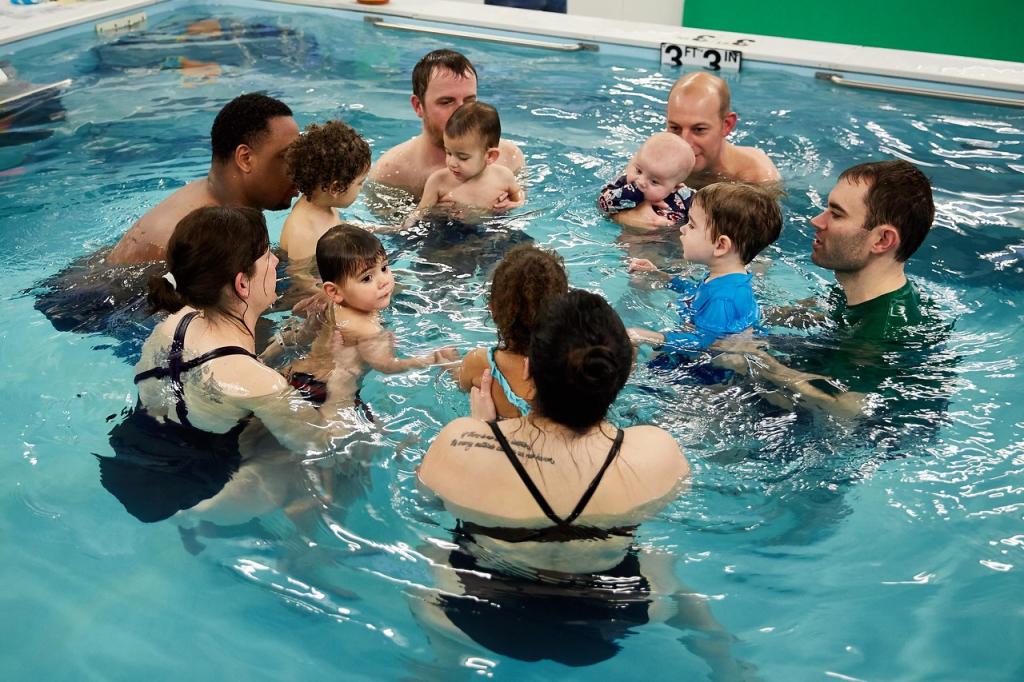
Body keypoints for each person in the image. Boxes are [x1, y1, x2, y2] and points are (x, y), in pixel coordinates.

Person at [416, 290, 693, 665]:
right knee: (661, 560)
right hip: (613, 619)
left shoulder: (458, 440)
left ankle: (441, 666)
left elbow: (428, 500)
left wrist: (483, 431)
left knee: (430, 554)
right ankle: (727, 663)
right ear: (621, 375)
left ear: (528, 370)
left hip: (480, 613)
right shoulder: (658, 451)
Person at [98, 207, 362, 525]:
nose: (277, 261)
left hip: (127, 450)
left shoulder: (174, 322)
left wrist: (297, 336)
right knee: (356, 439)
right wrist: (347, 373)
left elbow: (224, 372)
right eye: (267, 255)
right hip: (195, 487)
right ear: (241, 284)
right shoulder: (260, 384)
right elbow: (321, 443)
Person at [713, 159, 940, 417]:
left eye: (837, 213)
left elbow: (848, 411)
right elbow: (816, 314)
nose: (816, 221)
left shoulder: (884, 332)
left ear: (882, 240)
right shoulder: (860, 294)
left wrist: (758, 361)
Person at [263, 224, 459, 411]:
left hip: (295, 371)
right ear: (334, 290)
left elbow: (303, 332)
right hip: (322, 390)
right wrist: (432, 359)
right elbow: (387, 366)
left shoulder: (330, 302)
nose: (384, 281)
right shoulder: (367, 329)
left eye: (384, 268)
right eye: (367, 278)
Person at [107, 93, 300, 264]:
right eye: (289, 156)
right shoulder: (202, 237)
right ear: (245, 158)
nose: (300, 169)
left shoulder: (227, 209)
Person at [626, 182, 783, 353]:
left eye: (692, 225)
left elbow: (708, 344)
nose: (684, 229)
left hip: (705, 374)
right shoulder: (725, 278)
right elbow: (696, 292)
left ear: (721, 245)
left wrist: (651, 337)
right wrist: (660, 276)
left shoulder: (724, 299)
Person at [368, 49, 524, 204]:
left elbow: (522, 205)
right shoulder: (391, 175)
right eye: (446, 102)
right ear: (418, 106)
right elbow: (395, 228)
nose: (461, 110)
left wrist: (512, 205)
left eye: (469, 101)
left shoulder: (509, 157)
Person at [456, 244, 568, 419]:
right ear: (563, 312)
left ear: (492, 310)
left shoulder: (479, 363)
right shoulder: (577, 366)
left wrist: (449, 367)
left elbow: (462, 385)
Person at [405, 102, 524, 227]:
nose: (452, 163)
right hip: (450, 232)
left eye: (463, 158)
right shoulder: (439, 181)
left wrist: (515, 204)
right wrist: (435, 213)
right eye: (449, 153)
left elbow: (518, 193)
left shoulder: (503, 176)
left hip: (493, 228)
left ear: (490, 156)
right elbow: (420, 212)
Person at [663, 72, 779, 188]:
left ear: (726, 125)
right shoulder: (655, 161)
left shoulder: (756, 179)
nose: (685, 143)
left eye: (698, 129)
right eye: (675, 128)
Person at [280, 120, 372, 263]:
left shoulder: (325, 204)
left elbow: (339, 228)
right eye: (360, 183)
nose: (362, 187)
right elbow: (300, 278)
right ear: (336, 188)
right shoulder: (304, 232)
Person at [598, 132, 696, 229]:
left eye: (654, 181)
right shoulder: (623, 184)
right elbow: (603, 202)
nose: (641, 182)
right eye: (639, 171)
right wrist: (631, 194)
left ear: (675, 187)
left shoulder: (685, 197)